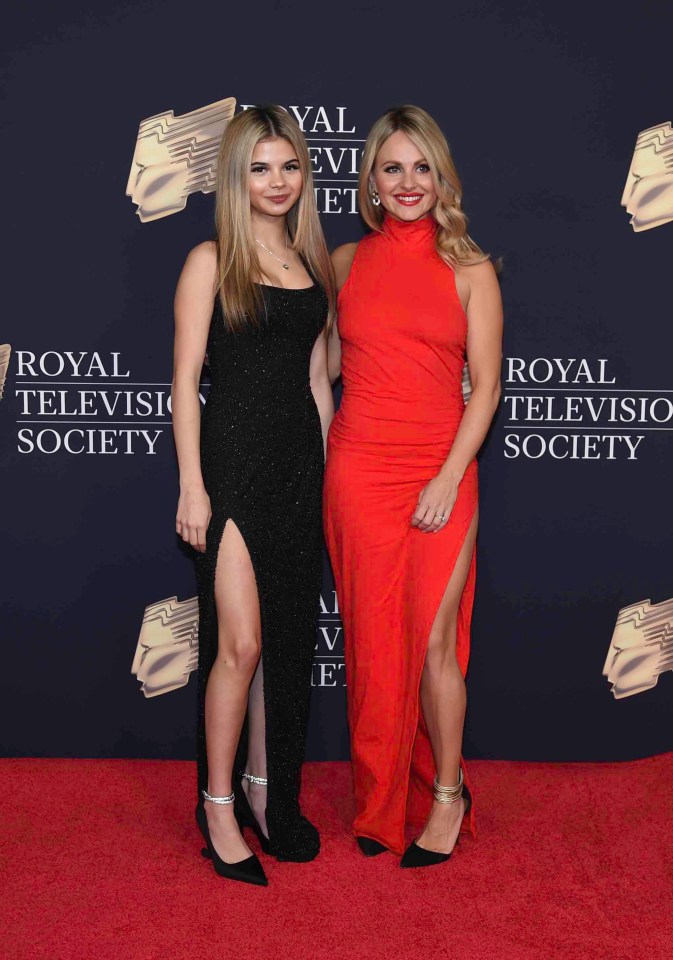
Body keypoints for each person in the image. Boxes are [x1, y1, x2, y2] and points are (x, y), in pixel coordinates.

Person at [323, 105, 502, 868]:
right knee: (370, 643)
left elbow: (486, 388)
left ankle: (446, 795)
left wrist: (446, 475)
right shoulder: (342, 263)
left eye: (420, 167)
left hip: (440, 469)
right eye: (391, 168)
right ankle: (376, 799)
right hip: (358, 470)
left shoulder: (470, 268)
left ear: (441, 177)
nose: (407, 182)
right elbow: (321, 363)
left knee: (432, 641)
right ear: (371, 178)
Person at [172, 105, 335, 886]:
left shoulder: (313, 262)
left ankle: (269, 794)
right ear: (236, 178)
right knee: (238, 645)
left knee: (285, 646)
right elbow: (183, 383)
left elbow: (315, 380)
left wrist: (330, 476)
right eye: (260, 167)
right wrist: (194, 488)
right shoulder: (210, 259)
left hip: (300, 469)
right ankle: (215, 804)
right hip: (232, 470)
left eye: (289, 166)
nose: (277, 181)